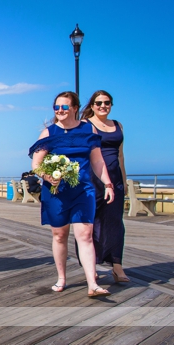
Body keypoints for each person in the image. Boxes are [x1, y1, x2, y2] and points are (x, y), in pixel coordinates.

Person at [29, 91, 114, 297]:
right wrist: (48, 177)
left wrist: (108, 184)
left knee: (85, 235)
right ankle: (62, 278)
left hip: (83, 191)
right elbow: (36, 165)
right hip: (57, 192)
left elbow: (97, 160)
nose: (60, 110)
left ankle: (92, 283)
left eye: (64, 107)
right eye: (56, 107)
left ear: (75, 108)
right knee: (60, 235)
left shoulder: (88, 129)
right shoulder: (49, 134)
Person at [79, 90, 129, 283]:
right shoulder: (86, 125)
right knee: (89, 224)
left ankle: (117, 266)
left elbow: (120, 156)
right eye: (98, 103)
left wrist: (123, 180)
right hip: (92, 179)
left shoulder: (118, 126)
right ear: (92, 105)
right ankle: (91, 265)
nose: (103, 106)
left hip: (114, 180)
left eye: (107, 103)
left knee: (115, 223)